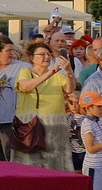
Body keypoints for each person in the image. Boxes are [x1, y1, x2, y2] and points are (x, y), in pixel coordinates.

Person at [13, 44, 73, 173]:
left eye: (48, 54)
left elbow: (69, 89)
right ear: (32, 58)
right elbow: (24, 87)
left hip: (55, 124)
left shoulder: (57, 74)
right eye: (42, 54)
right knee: (30, 162)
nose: (46, 57)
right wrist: (49, 73)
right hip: (31, 124)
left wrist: (69, 72)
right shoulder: (26, 72)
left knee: (56, 161)